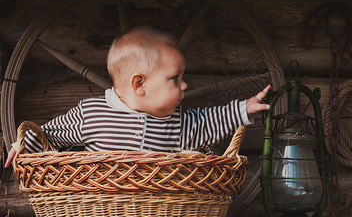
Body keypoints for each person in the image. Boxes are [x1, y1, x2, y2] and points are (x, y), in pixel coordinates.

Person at [5, 26, 271, 167]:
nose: (185, 85)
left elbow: (206, 122)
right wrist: (21, 145)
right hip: (101, 208)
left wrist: (243, 109)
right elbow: (51, 133)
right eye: (175, 78)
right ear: (140, 84)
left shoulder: (176, 122)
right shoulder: (92, 114)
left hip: (153, 212)